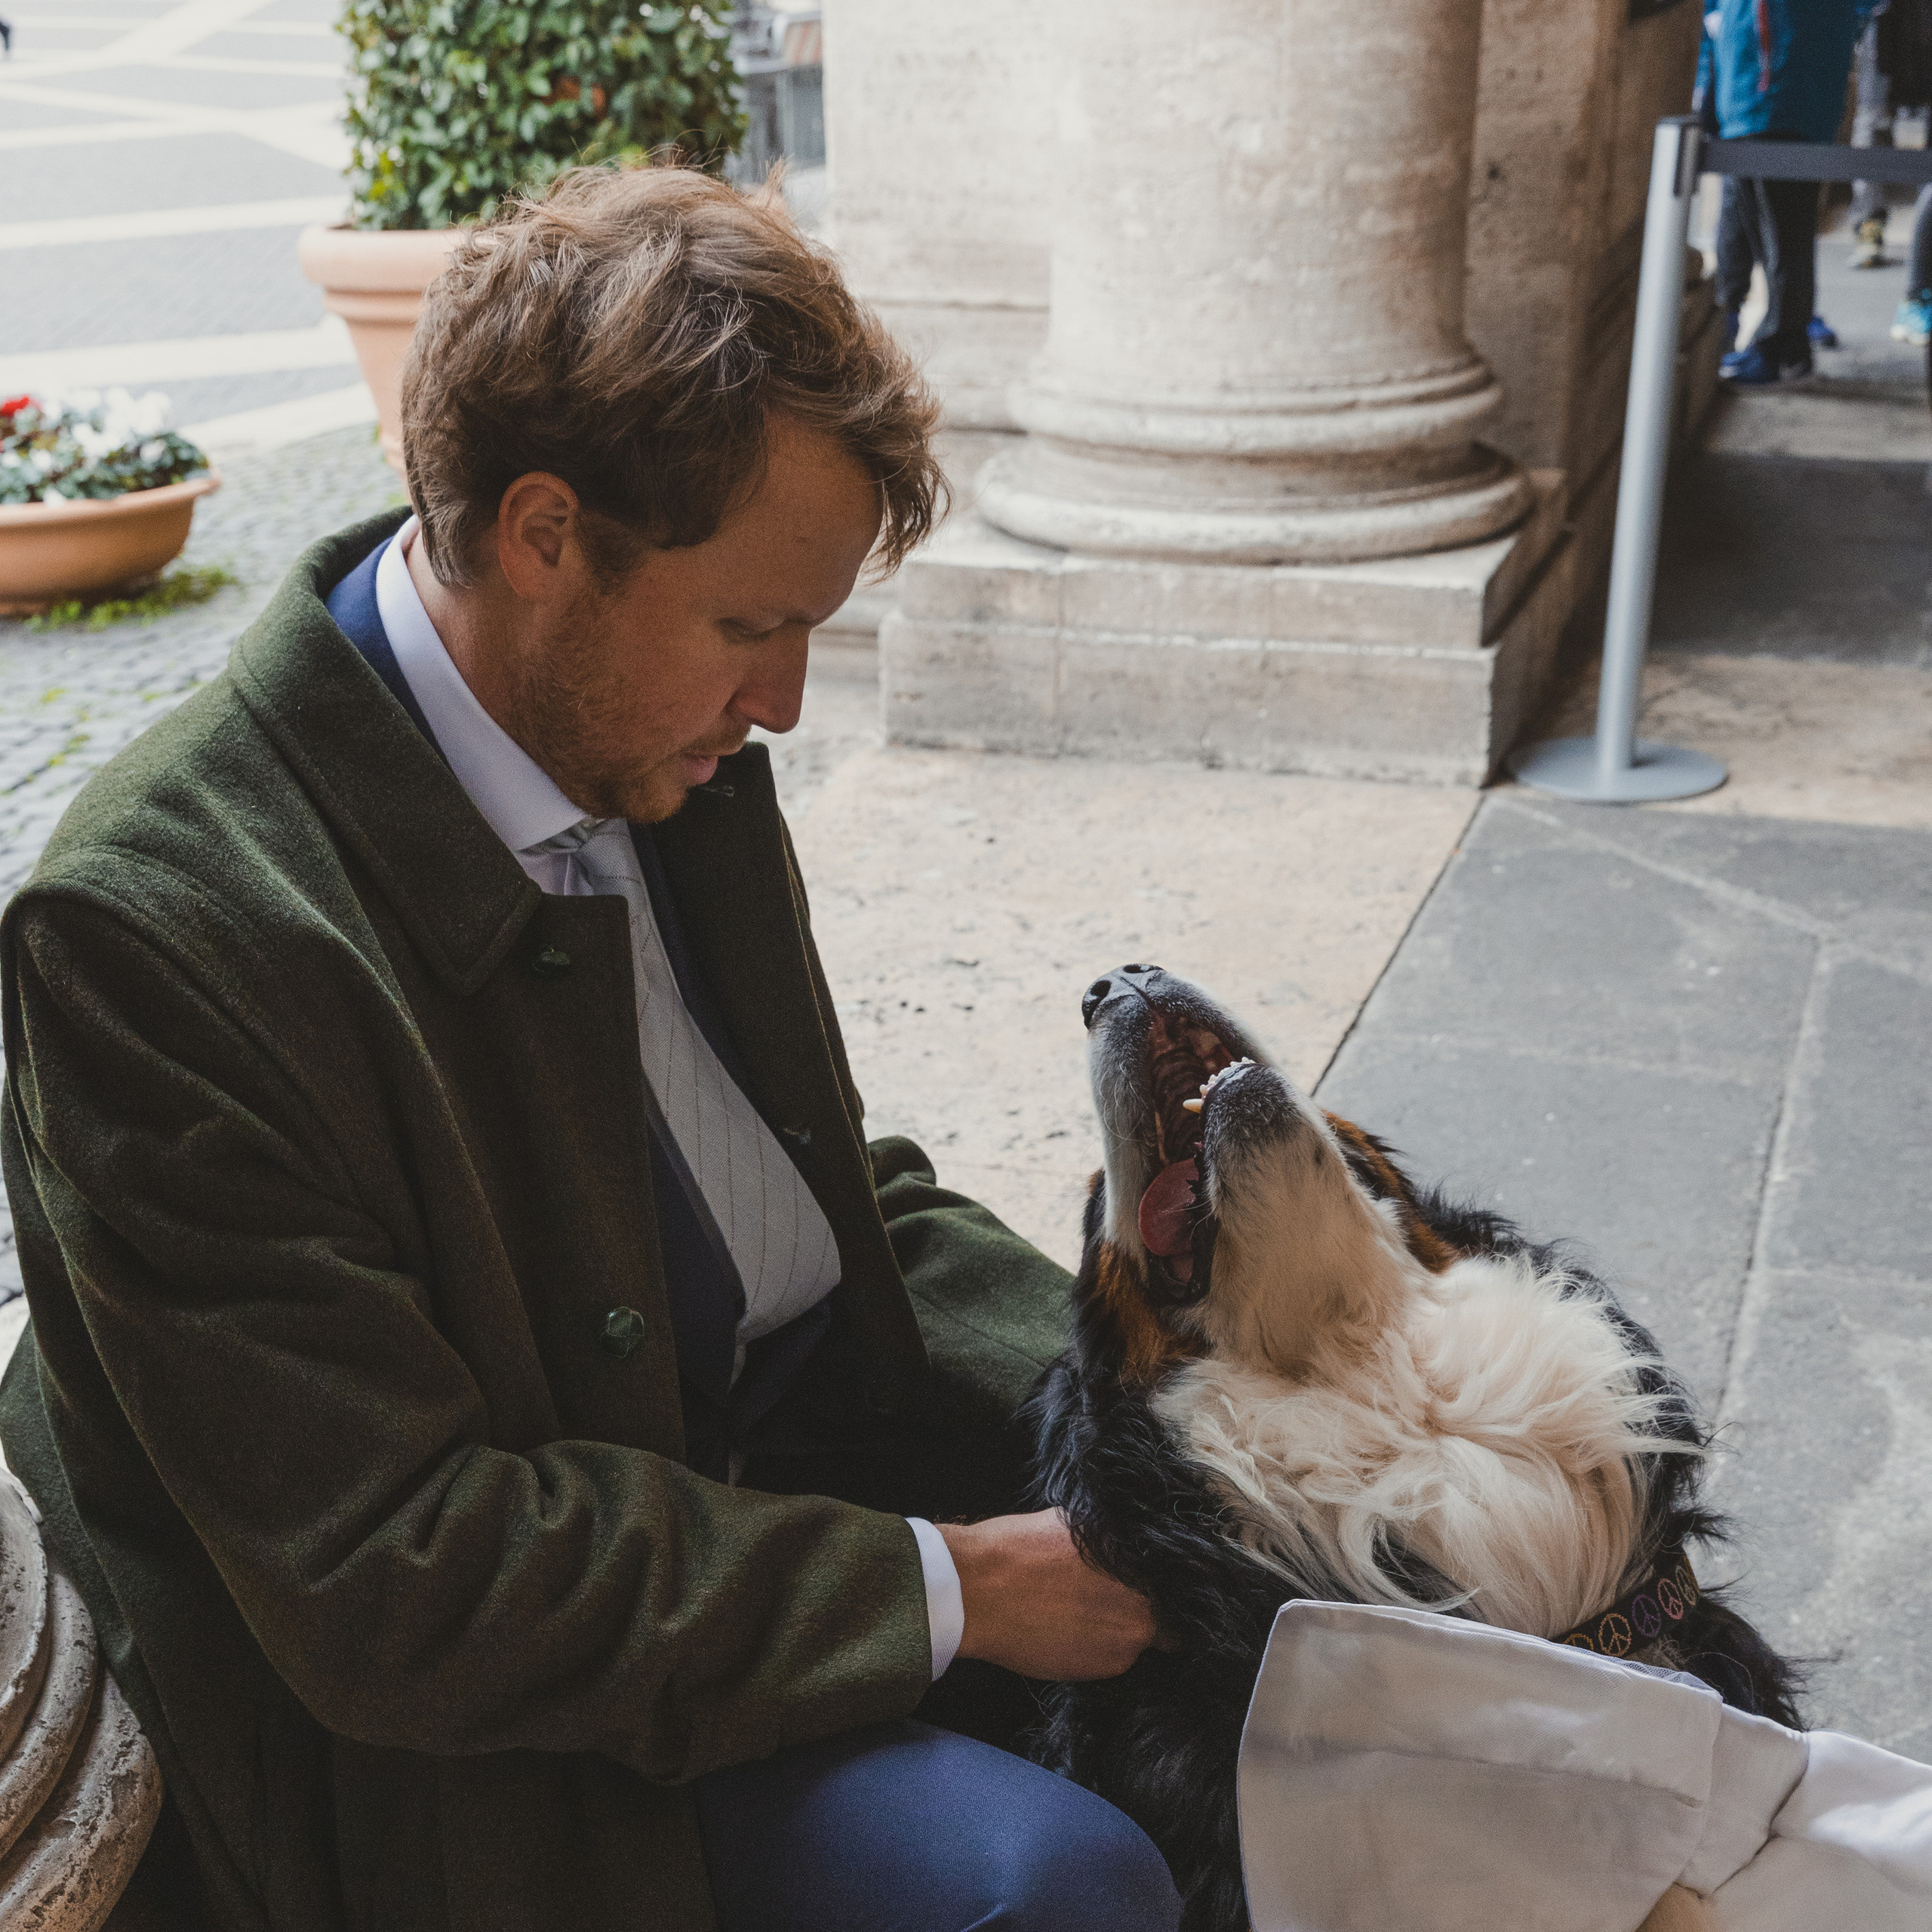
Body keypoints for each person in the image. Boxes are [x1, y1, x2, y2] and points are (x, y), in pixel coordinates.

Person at [0, 166, 1182, 1932]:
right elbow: (397, 1580)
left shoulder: (639, 725)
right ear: (545, 534)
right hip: (466, 1747)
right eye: (752, 625)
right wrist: (944, 1586)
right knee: (1056, 1886)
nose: (783, 700)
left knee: (1322, 1639)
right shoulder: (152, 932)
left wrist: (1172, 1377)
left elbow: (803, 1194)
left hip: (741, 1514)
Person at [1706, 0, 1881, 385]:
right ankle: (1751, 337)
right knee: (1748, 228)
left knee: (1784, 238)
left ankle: (1782, 350)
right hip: (1752, 92)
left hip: (1774, 94)